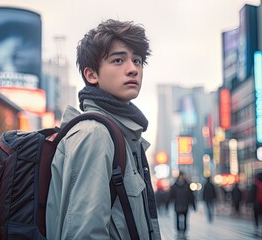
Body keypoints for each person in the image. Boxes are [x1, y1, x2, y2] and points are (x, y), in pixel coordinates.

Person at [45, 19, 161, 239]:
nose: (133, 69)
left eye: (137, 61)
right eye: (118, 60)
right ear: (91, 75)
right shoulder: (95, 134)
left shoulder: (121, 135)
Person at [167, 172, 196, 237]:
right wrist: (167, 204)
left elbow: (191, 196)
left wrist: (193, 205)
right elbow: (170, 196)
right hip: (178, 205)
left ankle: (184, 231)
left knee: (185, 218)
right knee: (177, 218)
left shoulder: (187, 185)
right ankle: (178, 230)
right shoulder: (175, 186)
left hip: (185, 205)